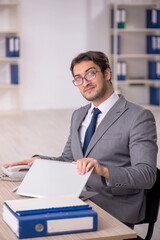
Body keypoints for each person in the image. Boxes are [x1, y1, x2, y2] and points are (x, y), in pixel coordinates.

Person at [4, 51, 158, 228]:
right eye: (78, 78)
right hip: (76, 199)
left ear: (107, 74)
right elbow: (68, 159)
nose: (85, 82)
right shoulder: (79, 115)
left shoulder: (138, 116)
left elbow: (147, 175)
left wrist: (103, 170)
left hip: (114, 208)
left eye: (90, 74)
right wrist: (39, 161)